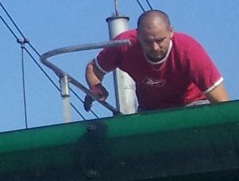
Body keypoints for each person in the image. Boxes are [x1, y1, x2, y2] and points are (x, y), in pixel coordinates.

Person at [86, 10, 228, 111]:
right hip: (151, 110)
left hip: (192, 104)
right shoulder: (123, 45)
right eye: (148, 41)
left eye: (160, 40)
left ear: (171, 32)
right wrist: (96, 86)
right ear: (138, 35)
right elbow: (93, 68)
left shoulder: (189, 50)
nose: (155, 47)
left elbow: (221, 102)